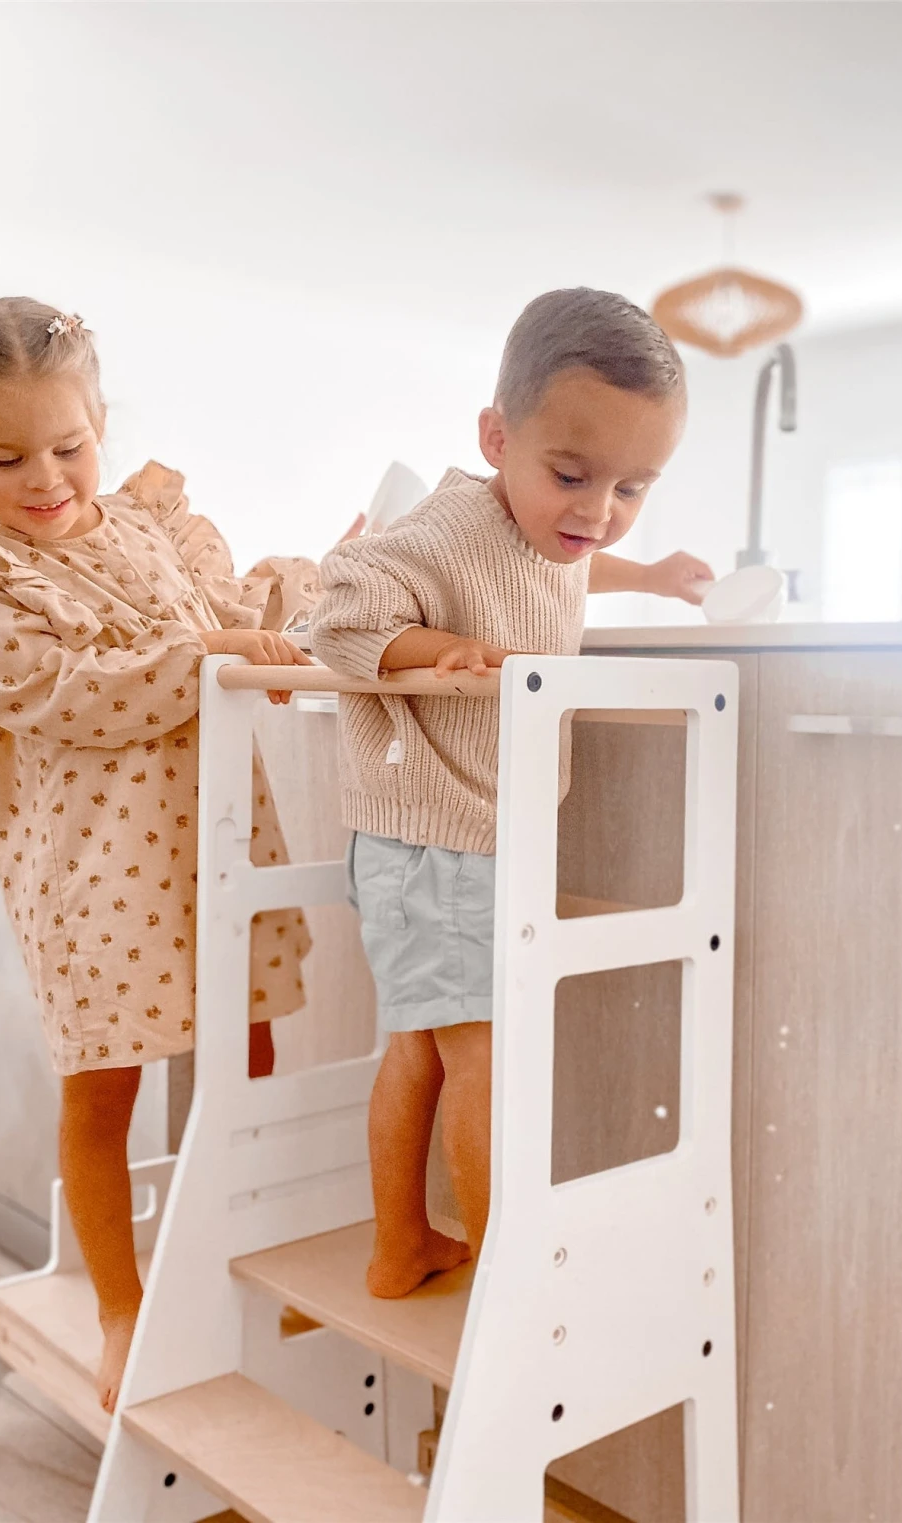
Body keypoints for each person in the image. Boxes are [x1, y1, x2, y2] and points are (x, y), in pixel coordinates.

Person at [0, 297, 333, 1409]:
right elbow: (60, 691)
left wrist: (331, 578)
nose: (46, 478)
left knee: (248, 1057)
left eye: (69, 446)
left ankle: (227, 1251)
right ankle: (122, 1303)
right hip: (97, 878)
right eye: (5, 456)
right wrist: (208, 650)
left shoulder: (156, 529)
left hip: (221, 847)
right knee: (101, 1092)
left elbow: (241, 607)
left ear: (101, 424)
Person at [310, 287, 711, 1297]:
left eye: (633, 487)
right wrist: (439, 651)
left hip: (456, 835)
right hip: (440, 841)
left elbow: (560, 567)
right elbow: (339, 612)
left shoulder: (548, 527)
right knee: (480, 1052)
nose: (596, 510)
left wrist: (651, 575)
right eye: (572, 474)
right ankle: (504, 1280)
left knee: (427, 1048)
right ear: (497, 437)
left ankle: (401, 1242)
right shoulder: (449, 526)